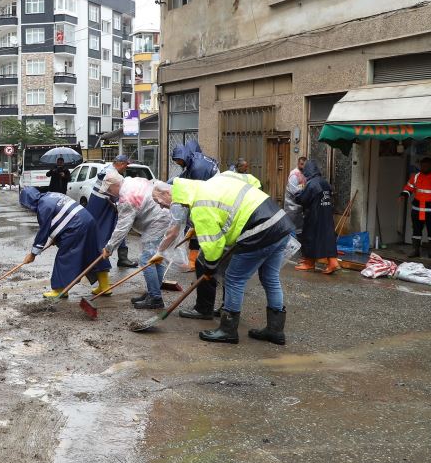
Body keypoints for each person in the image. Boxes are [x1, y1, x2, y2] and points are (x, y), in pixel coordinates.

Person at [151, 176, 295, 345]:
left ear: (170, 194)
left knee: (234, 278)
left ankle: (228, 330)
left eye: (160, 202)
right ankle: (275, 331)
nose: (162, 206)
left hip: (259, 230)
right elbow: (253, 184)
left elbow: (213, 244)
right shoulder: (211, 184)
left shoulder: (200, 204)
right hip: (280, 223)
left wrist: (210, 268)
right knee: (270, 278)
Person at [20, 187, 111, 298]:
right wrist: (56, 237)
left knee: (64, 257)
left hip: (76, 227)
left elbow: (43, 233)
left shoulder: (43, 206)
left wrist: (33, 254)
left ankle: (60, 290)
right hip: (88, 221)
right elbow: (61, 217)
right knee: (94, 253)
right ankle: (105, 286)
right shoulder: (52, 195)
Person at [103, 177, 176, 310]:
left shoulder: (127, 196)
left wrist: (109, 247)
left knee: (147, 259)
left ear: (115, 185)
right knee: (156, 258)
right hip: (164, 216)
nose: (109, 193)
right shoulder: (131, 181)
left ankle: (155, 297)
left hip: (159, 220)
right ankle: (153, 293)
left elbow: (123, 226)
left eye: (109, 189)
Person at [171, 140, 219, 271]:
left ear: (185, 156)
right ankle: (196, 261)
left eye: (178, 160)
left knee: (200, 230)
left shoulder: (198, 168)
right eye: (175, 161)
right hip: (210, 195)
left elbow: (198, 194)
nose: (177, 163)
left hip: (210, 200)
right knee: (196, 230)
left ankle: (198, 263)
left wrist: (191, 220)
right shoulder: (195, 159)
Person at [86, 154, 137, 268]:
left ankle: (122, 258)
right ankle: (97, 259)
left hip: (101, 203)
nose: (126, 167)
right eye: (126, 165)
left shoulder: (108, 168)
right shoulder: (115, 176)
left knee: (118, 228)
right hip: (102, 207)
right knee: (102, 232)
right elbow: (124, 193)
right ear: (121, 164)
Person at [294, 161, 339, 274]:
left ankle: (309, 263)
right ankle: (333, 262)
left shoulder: (312, 184)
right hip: (327, 214)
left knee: (310, 237)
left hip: (314, 215)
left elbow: (303, 199)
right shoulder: (324, 182)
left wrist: (298, 193)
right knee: (327, 237)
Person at [400, 157, 431, 259]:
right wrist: (403, 195)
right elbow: (409, 188)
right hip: (418, 208)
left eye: (426, 166)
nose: (424, 168)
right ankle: (415, 250)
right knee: (416, 230)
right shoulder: (416, 176)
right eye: (422, 166)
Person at [284, 157, 308, 234]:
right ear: (298, 163)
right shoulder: (294, 174)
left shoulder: (305, 173)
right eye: (301, 164)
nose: (303, 166)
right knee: (291, 226)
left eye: (304, 165)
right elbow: (293, 190)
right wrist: (305, 191)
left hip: (300, 205)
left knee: (299, 227)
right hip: (292, 205)